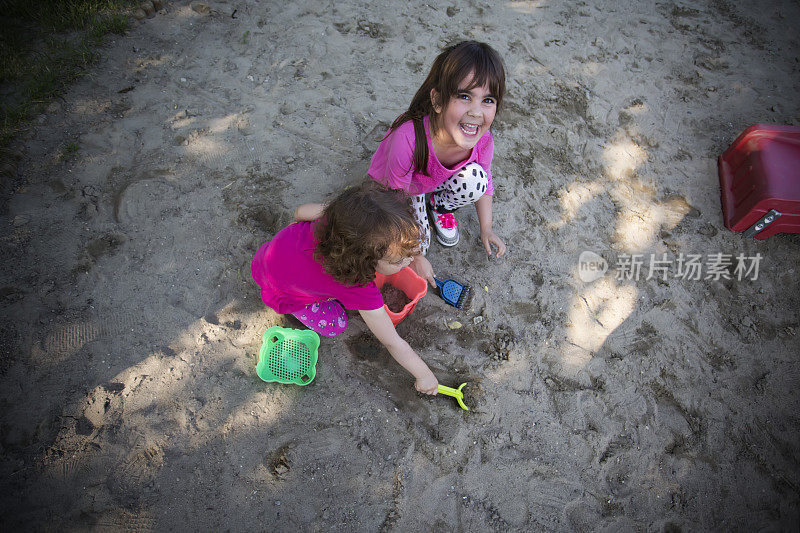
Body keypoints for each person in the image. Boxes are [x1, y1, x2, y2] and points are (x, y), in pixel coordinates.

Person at [250, 181, 439, 394]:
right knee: (336, 324)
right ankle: (297, 313)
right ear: (362, 259)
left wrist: (415, 256)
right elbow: (393, 342)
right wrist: (425, 375)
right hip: (281, 292)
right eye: (398, 261)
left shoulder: (336, 220)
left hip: (266, 258)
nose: (407, 262)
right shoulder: (357, 286)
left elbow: (300, 212)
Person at [368, 41, 508, 288]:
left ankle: (438, 206)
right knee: (417, 246)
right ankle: (422, 203)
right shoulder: (408, 139)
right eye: (465, 96)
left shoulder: (483, 139)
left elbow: (486, 184)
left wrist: (487, 228)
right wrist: (416, 256)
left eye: (488, 100)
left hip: (432, 182)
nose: (476, 112)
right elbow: (392, 202)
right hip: (402, 191)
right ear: (438, 100)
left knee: (477, 180)